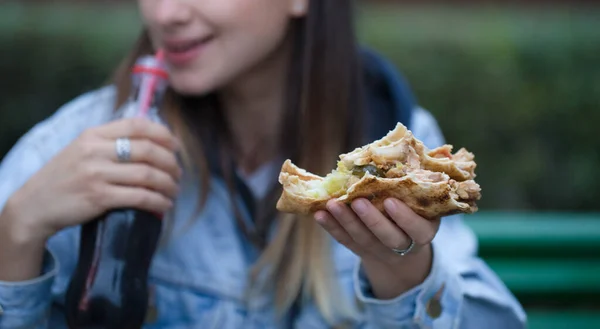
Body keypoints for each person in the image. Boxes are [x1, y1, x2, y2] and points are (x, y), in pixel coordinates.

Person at [0, 0, 526, 328]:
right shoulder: (85, 138)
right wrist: (15, 234)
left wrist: (402, 271)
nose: (165, 13)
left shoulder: (396, 146)